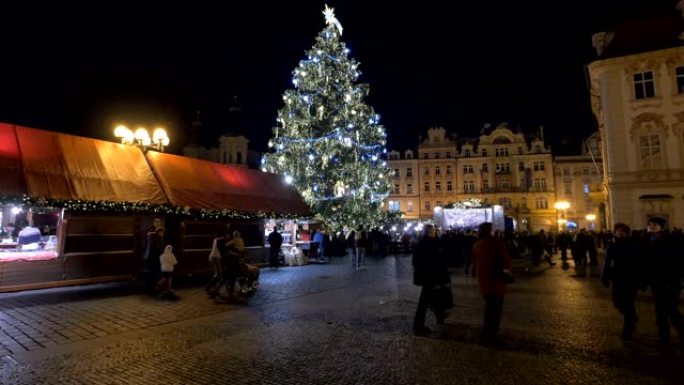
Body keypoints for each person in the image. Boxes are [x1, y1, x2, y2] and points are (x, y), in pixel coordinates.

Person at [642, 217, 684, 348]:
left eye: (655, 224)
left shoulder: (672, 241)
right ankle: (663, 337)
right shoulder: (648, 241)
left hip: (670, 281)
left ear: (663, 226)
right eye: (650, 224)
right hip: (656, 282)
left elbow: (679, 261)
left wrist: (677, 279)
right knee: (660, 310)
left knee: (671, 309)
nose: (651, 226)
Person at [473, 222, 512, 345]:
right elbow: (506, 261)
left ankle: (486, 331)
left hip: (484, 280)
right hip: (496, 281)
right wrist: (507, 273)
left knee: (489, 309)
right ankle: (492, 335)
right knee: (495, 310)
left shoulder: (477, 244)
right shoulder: (495, 244)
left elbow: (474, 261)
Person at [602, 223, 640, 339]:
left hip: (630, 279)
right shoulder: (611, 245)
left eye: (622, 231)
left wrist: (640, 279)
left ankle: (627, 332)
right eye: (618, 231)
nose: (620, 232)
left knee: (628, 304)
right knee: (617, 302)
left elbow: (639, 262)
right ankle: (632, 318)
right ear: (615, 232)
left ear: (627, 233)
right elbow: (607, 262)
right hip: (617, 278)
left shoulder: (633, 244)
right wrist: (605, 277)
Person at [412, 224, 450, 336]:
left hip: (427, 277)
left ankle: (438, 320)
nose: (436, 232)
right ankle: (420, 326)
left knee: (430, 300)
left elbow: (415, 262)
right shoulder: (432, 244)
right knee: (428, 301)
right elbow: (440, 261)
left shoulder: (420, 244)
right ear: (430, 232)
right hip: (433, 277)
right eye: (434, 231)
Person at [206, 228, 232, 296]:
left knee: (217, 274)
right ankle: (210, 288)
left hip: (211, 256)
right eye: (228, 235)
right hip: (217, 257)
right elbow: (224, 249)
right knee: (219, 274)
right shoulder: (221, 240)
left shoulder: (216, 239)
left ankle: (210, 288)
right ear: (225, 235)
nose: (229, 236)